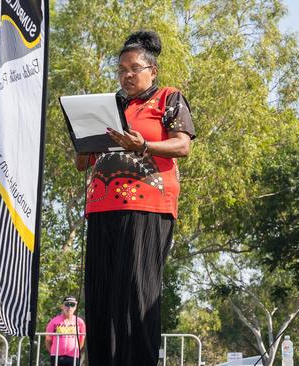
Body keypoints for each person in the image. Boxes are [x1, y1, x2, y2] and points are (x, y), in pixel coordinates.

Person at [74, 30, 195, 365]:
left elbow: (182, 145)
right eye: (121, 70)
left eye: (134, 68)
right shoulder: (108, 106)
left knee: (136, 295)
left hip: (147, 206)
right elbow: (81, 163)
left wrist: (142, 145)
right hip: (101, 208)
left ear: (152, 71)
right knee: (101, 300)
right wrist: (83, 138)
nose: (126, 75)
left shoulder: (169, 98)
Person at [45, 296, 86, 366]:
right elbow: (48, 340)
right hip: (56, 355)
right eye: (67, 304)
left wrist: (75, 351)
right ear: (62, 306)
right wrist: (53, 351)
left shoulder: (80, 322)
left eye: (72, 305)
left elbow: (81, 341)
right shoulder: (54, 321)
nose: (69, 308)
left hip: (73, 356)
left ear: (75, 307)